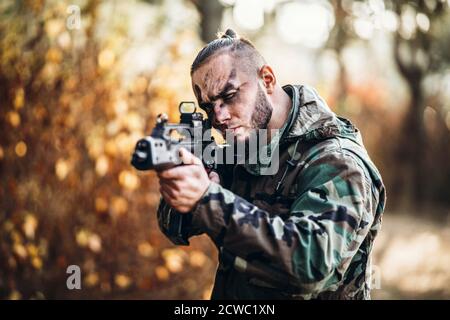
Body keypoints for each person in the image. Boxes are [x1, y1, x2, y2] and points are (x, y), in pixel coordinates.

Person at [156, 29, 386, 299]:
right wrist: (184, 181)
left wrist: (210, 200)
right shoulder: (245, 146)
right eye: (209, 107)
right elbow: (174, 227)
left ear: (266, 79)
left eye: (229, 96)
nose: (219, 117)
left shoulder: (337, 161)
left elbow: (309, 267)